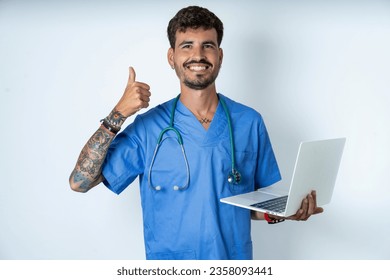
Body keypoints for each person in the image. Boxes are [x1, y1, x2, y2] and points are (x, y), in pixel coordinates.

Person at [69, 6, 323, 260]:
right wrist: (118, 114)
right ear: (172, 57)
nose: (198, 55)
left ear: (220, 55)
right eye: (187, 45)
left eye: (207, 46)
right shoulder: (148, 128)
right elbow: (80, 183)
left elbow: (246, 207)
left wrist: (281, 211)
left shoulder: (249, 122)